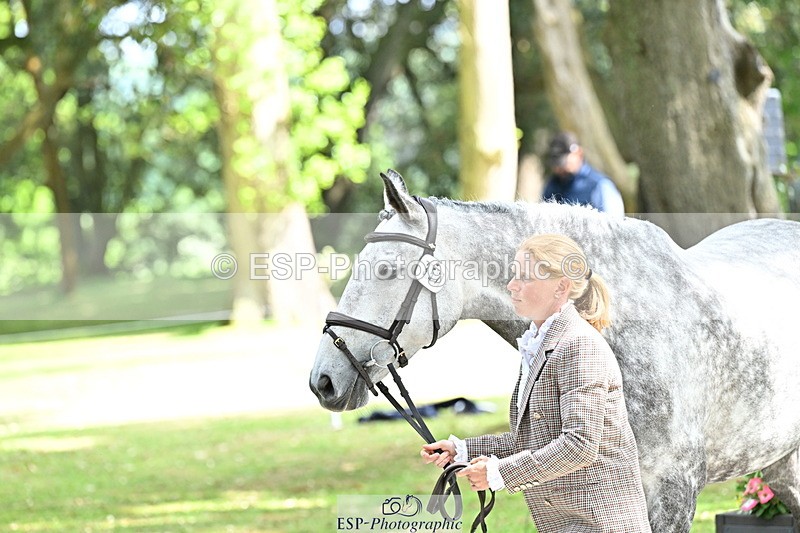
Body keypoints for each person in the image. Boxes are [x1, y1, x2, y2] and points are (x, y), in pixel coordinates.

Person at [420, 234, 651, 533]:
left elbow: (579, 446)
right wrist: (461, 450)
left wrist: (498, 474)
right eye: (515, 274)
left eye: (525, 277)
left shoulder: (579, 346)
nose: (512, 285)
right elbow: (534, 438)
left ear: (561, 286)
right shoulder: (540, 343)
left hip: (600, 524)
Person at [543, 132, 625, 217]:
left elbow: (613, 226)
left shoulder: (601, 186)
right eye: (556, 164)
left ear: (579, 153)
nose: (559, 169)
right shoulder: (553, 184)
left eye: (564, 164)